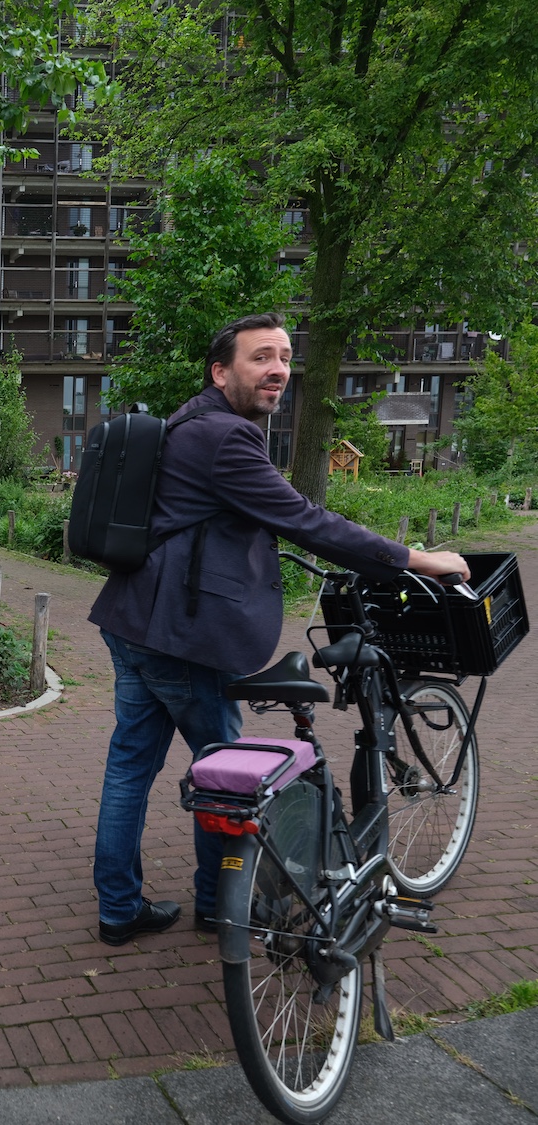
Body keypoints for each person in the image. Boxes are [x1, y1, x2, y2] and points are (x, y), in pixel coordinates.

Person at [86, 312, 469, 947]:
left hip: (135, 618)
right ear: (221, 370)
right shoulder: (225, 438)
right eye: (261, 357)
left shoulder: (189, 422)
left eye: (285, 358)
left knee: (130, 766)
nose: (278, 370)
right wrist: (415, 558)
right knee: (224, 772)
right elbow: (305, 520)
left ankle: (119, 909)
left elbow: (214, 517)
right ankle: (218, 905)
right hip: (183, 636)